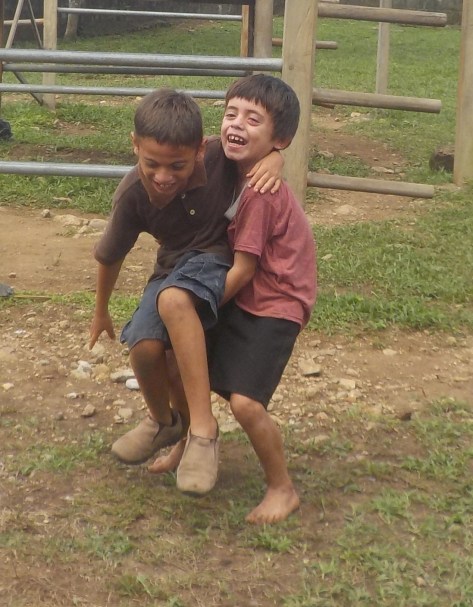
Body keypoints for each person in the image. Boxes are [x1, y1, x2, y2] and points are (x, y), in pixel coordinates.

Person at [89, 88, 282, 496]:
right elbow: (110, 255)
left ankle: (203, 430)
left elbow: (257, 145)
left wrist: (276, 158)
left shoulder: (218, 158)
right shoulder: (132, 194)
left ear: (199, 150)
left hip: (215, 259)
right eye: (151, 163)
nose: (163, 176)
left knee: (175, 300)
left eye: (177, 165)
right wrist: (101, 310)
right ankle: (164, 421)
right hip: (170, 267)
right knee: (144, 346)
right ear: (134, 145)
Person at [149, 74, 317, 525]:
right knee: (175, 360)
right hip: (247, 291)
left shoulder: (260, 193)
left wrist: (195, 307)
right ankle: (191, 442)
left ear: (279, 138)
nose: (236, 124)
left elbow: (243, 271)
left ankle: (282, 488)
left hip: (276, 301)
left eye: (253, 119)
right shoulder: (227, 160)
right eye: (230, 114)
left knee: (245, 403)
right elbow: (189, 148)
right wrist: (276, 154)